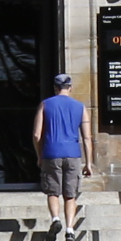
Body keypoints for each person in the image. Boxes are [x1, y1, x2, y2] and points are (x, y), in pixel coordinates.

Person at [34, 71, 91, 232]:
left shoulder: (45, 105)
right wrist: (88, 163)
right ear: (70, 88)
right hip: (73, 153)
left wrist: (39, 156)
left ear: (55, 88)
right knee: (70, 194)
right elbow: (87, 137)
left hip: (51, 152)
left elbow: (37, 134)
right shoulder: (80, 107)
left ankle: (55, 218)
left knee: (53, 191)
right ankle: (70, 229)